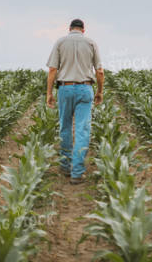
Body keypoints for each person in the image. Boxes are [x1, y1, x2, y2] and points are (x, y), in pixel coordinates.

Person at [46, 18, 104, 184]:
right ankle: (77, 173)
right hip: (85, 89)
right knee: (82, 130)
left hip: (65, 88)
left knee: (65, 127)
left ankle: (65, 166)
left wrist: (49, 93)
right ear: (83, 30)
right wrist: (99, 91)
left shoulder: (60, 42)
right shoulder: (91, 43)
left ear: (69, 29)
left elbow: (52, 70)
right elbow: (99, 71)